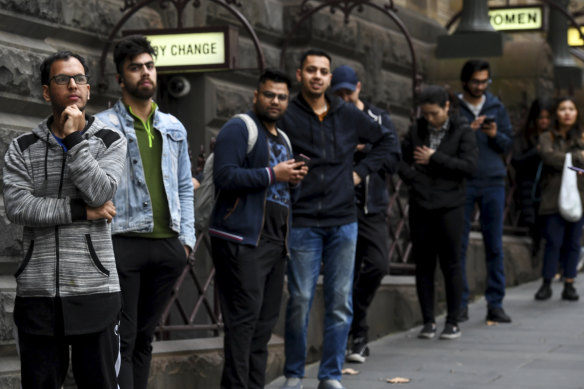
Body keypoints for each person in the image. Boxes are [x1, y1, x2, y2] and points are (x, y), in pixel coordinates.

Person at [3, 51, 127, 388]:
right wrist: (82, 212)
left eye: (80, 79)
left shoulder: (110, 141)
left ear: (88, 89)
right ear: (46, 92)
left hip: (96, 289)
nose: (73, 85)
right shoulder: (22, 146)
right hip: (37, 292)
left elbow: (101, 193)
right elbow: (18, 207)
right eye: (62, 79)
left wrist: (75, 141)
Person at [278, 50, 398, 389]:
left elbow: (388, 142)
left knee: (340, 302)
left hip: (343, 219)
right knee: (300, 299)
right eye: (311, 70)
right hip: (302, 220)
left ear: (330, 78)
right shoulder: (287, 113)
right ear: (300, 74)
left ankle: (330, 375)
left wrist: (359, 173)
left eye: (324, 71)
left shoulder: (346, 113)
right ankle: (294, 374)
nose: (318, 76)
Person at [96, 35, 195, 389]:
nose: (145, 73)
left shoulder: (174, 126)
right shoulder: (102, 125)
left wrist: (187, 241)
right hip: (123, 242)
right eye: (135, 68)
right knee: (123, 336)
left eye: (149, 66)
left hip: (168, 246)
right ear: (121, 78)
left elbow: (185, 186)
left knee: (146, 335)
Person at [209, 69, 307, 389]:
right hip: (242, 240)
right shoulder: (239, 128)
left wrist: (291, 178)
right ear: (256, 96)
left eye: (281, 97)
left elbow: (280, 191)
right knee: (243, 326)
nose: (275, 101)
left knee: (263, 328)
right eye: (269, 95)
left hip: (276, 243)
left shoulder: (284, 138)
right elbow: (225, 176)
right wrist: (272, 174)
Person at [330, 65, 401, 362]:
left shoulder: (378, 119)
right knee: (345, 273)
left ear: (359, 87)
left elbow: (394, 161)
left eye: (349, 91)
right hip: (340, 206)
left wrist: (365, 151)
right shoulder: (331, 117)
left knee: (378, 265)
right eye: (340, 93)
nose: (345, 97)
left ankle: (356, 316)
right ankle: (356, 335)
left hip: (371, 206)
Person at [399, 85, 477, 340]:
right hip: (421, 203)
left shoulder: (462, 131)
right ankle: (428, 321)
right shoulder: (417, 129)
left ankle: (453, 320)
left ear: (446, 107)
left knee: (451, 263)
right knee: (424, 265)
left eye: (434, 113)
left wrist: (435, 158)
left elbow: (468, 167)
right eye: (425, 114)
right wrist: (413, 177)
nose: (429, 119)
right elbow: (399, 159)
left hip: (451, 205)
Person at [457, 59, 513, 324]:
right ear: (465, 81)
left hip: (493, 180)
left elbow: (508, 144)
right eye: (475, 81)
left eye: (484, 81)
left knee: (494, 244)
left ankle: (496, 303)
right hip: (464, 181)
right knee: (460, 244)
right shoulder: (454, 107)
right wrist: (467, 132)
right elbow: (447, 143)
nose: (479, 86)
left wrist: (494, 134)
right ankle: (460, 302)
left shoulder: (496, 107)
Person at [534, 96, 584, 301]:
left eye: (571, 109)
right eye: (563, 108)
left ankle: (569, 283)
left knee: (573, 242)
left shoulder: (581, 136)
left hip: (578, 198)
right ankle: (547, 282)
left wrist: (564, 161)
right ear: (557, 113)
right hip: (552, 197)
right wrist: (576, 158)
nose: (567, 113)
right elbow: (547, 157)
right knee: (553, 240)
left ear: (577, 113)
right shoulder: (548, 136)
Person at [511, 98, 552, 257]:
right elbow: (516, 160)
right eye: (541, 118)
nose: (544, 122)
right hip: (529, 186)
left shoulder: (553, 136)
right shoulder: (523, 137)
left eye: (547, 118)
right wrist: (536, 152)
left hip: (548, 185)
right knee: (533, 222)